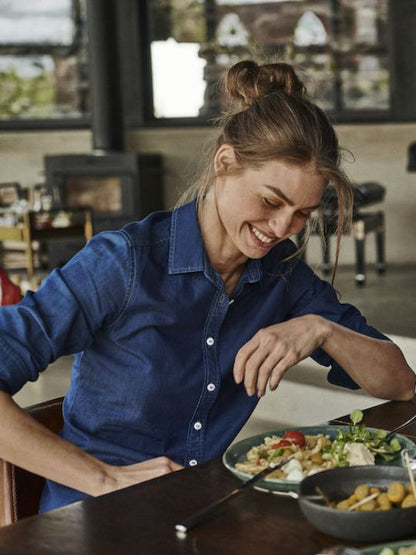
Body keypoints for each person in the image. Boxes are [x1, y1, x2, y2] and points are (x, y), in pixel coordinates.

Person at [0, 60, 414, 513]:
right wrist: (104, 477)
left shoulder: (283, 274)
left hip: (201, 512)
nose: (281, 227)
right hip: (94, 519)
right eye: (270, 200)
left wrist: (323, 329)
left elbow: (400, 383)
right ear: (224, 164)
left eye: (302, 214)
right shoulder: (122, 262)